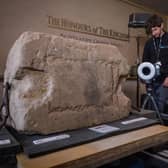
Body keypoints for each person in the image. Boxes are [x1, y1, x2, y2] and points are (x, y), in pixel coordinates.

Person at [142, 14, 168, 114]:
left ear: (162, 25)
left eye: (155, 29)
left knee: (160, 106)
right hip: (151, 80)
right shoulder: (149, 43)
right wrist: (144, 77)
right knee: (150, 106)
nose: (153, 33)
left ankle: (160, 127)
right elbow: (145, 61)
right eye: (151, 31)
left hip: (164, 80)